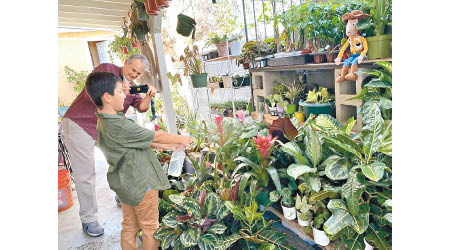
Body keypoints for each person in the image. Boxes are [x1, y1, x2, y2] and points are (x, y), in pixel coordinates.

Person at [84, 71, 191, 250]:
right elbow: (156, 135)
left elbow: (135, 142)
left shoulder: (106, 121)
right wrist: (182, 139)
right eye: (120, 92)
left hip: (125, 183)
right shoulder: (118, 124)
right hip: (141, 183)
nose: (125, 95)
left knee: (130, 225)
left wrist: (166, 147)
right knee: (150, 227)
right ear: (107, 97)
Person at [62, 54, 157, 236]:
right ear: (125, 63)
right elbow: (96, 94)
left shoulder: (132, 89)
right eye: (133, 69)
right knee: (86, 174)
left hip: (103, 127)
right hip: (80, 123)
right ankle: (89, 219)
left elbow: (142, 108)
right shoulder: (106, 70)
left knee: (124, 160)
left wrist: (148, 95)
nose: (134, 74)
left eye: (138, 73)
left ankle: (124, 196)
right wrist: (121, 89)